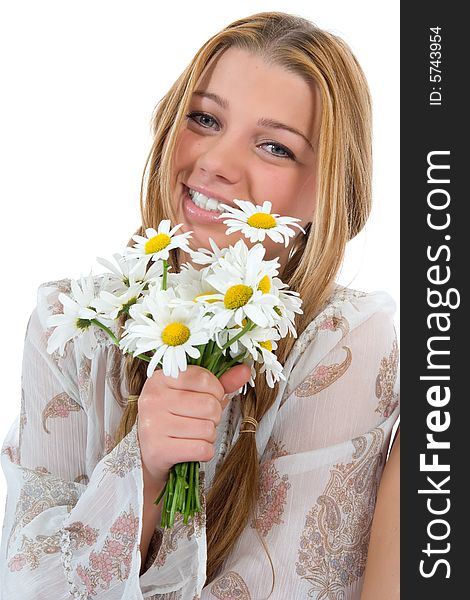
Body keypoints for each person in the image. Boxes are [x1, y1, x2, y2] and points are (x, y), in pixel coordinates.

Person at [0, 11, 400, 599]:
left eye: (274, 147)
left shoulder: (347, 342)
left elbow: (286, 583)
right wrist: (142, 470)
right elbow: (25, 582)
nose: (214, 161)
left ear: (332, 191)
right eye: (205, 119)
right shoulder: (73, 323)